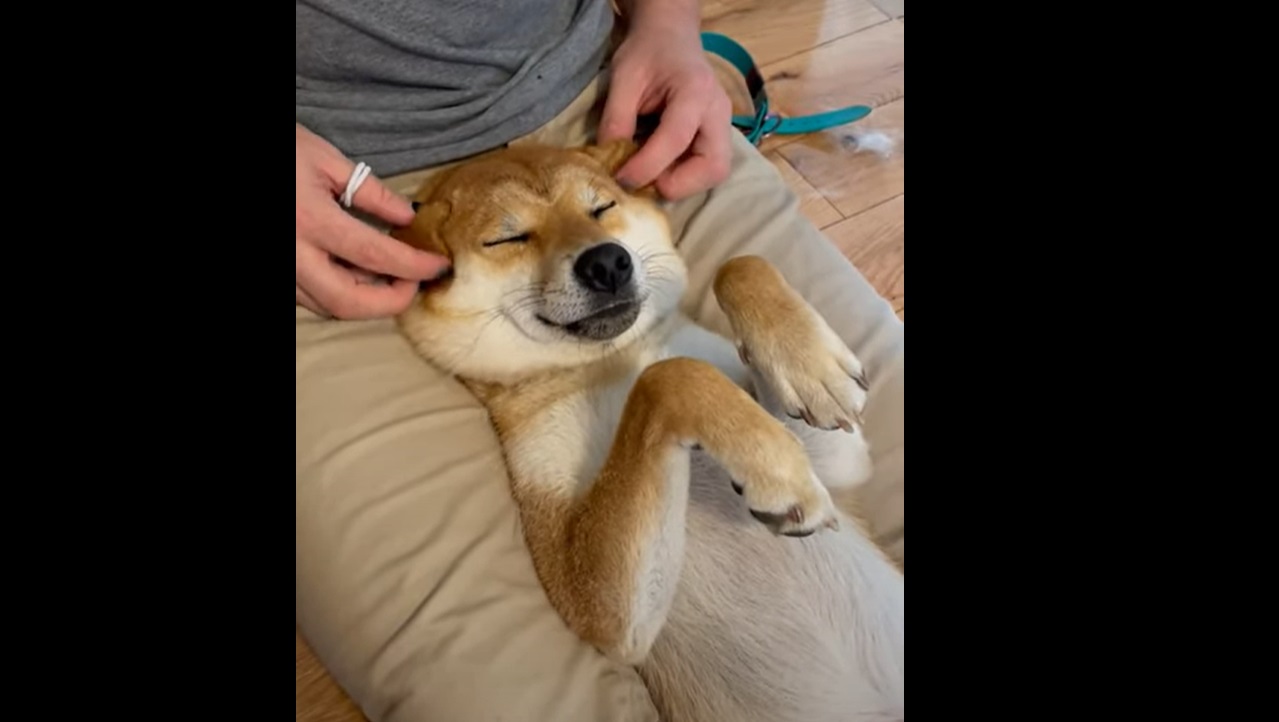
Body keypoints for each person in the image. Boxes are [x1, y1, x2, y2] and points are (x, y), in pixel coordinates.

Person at [295, 1, 904, 720]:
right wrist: (670, 401)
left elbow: (836, 460)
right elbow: (615, 615)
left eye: (596, 229)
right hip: (350, 186)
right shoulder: (536, 408)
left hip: (602, 105)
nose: (591, 253)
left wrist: (669, 25)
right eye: (512, 241)